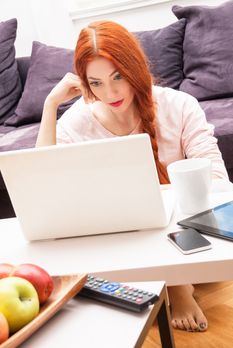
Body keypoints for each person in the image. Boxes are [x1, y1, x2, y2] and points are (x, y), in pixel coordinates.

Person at [36, 20, 229, 332]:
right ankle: (167, 280)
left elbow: (219, 184)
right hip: (119, 236)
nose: (109, 92)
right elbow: (44, 187)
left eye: (118, 77)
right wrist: (50, 104)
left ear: (135, 67)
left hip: (183, 230)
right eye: (95, 83)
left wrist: (172, 202)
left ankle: (178, 284)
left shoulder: (178, 105)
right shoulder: (76, 122)